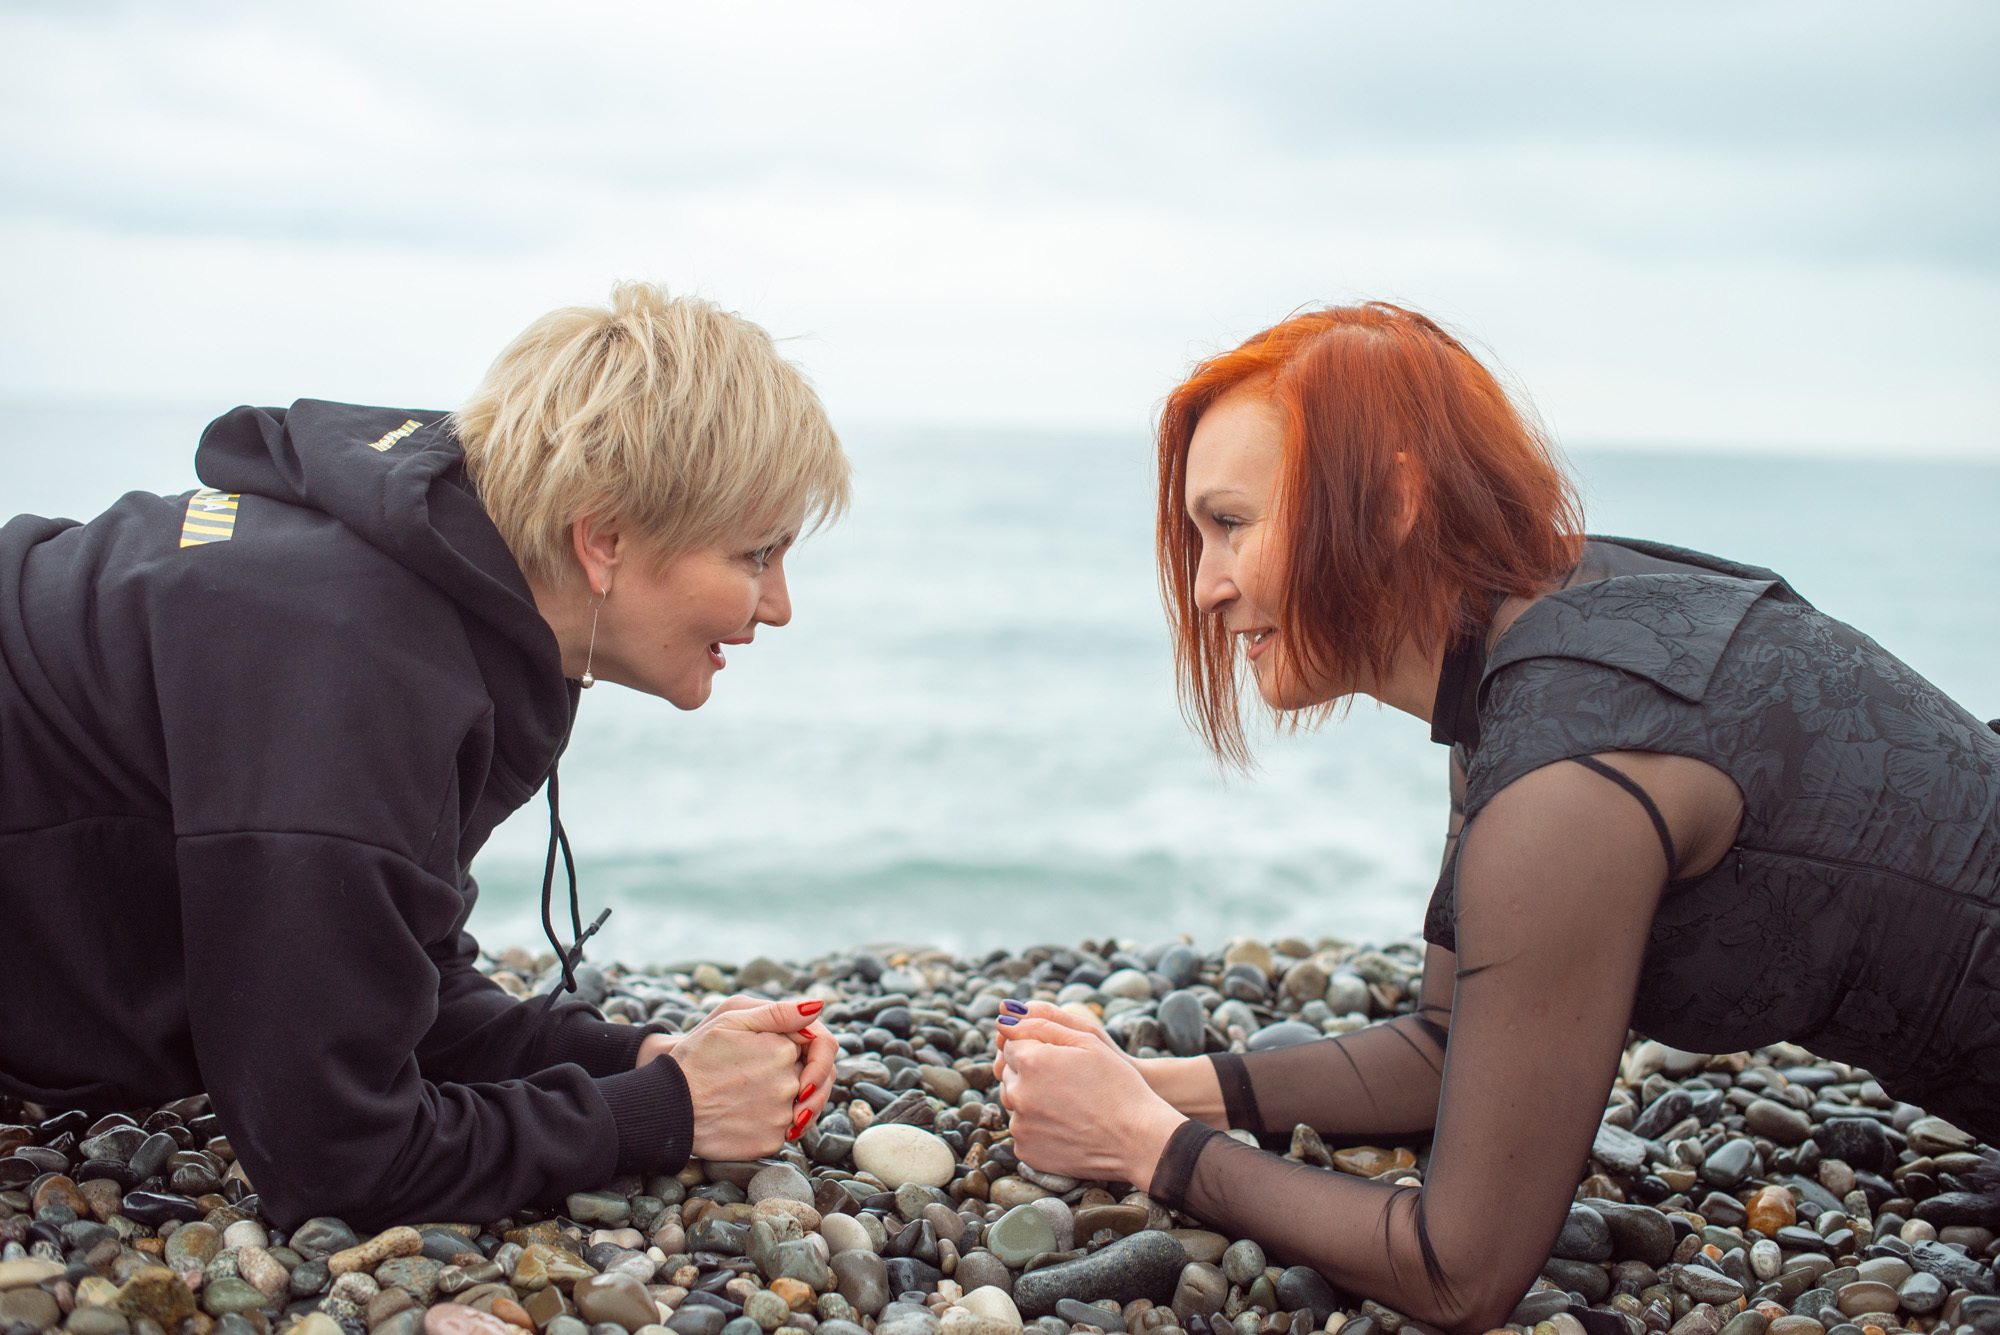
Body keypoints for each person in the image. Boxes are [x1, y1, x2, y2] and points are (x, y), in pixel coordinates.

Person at [992, 303, 2000, 1333]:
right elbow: (1445, 1047)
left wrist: (1145, 1148)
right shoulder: (1535, 649)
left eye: (1232, 524)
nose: (1204, 586)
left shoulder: (1571, 772)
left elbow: (1460, 1271)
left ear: (1389, 501)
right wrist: (1153, 1085)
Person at [0, 282, 844, 1228]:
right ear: (603, 538)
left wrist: (637, 1059)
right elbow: (339, 1156)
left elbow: (389, 986)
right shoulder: (347, 666)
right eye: (754, 556)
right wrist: (670, 1114)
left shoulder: (420, 596)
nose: (775, 606)